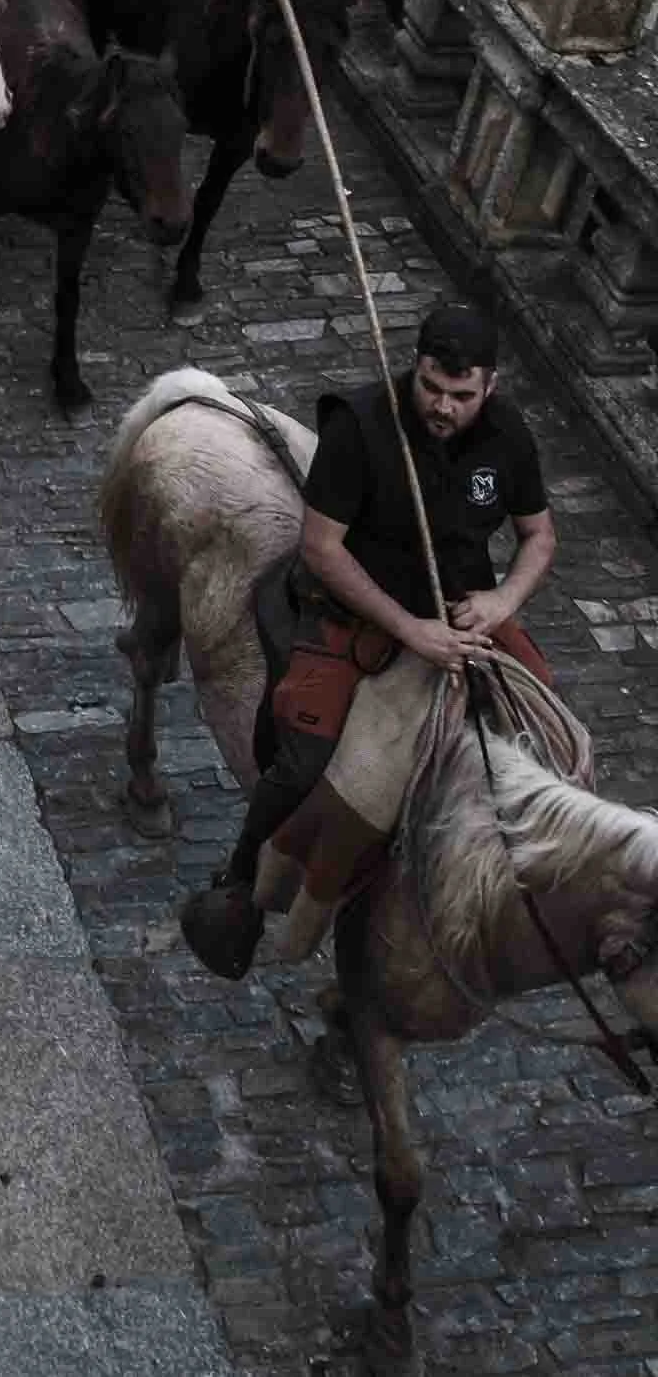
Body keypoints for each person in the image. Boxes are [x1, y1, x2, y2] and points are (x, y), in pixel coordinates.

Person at [179, 302, 556, 981]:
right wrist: (412, 631)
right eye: (431, 388)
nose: (442, 407)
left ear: (489, 387)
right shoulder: (361, 426)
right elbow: (322, 550)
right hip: (353, 609)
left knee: (546, 717)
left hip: (463, 606)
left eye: (460, 396)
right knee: (304, 760)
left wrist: (503, 599)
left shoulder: (508, 438)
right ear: (416, 368)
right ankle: (239, 881)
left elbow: (539, 536)